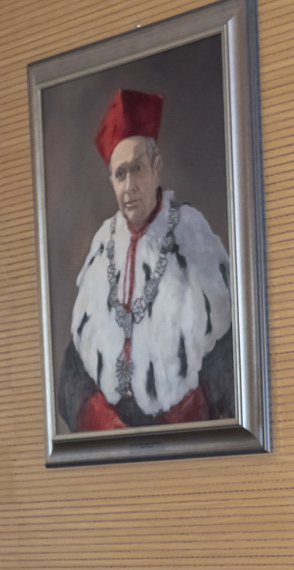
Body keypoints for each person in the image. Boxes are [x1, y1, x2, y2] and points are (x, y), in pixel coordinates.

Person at [59, 88, 235, 432]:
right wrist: (97, 417)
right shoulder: (102, 245)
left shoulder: (192, 235)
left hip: (180, 430)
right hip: (112, 434)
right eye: (120, 174)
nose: (129, 186)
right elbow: (74, 363)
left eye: (137, 169)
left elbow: (229, 346)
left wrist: (193, 409)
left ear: (157, 168)